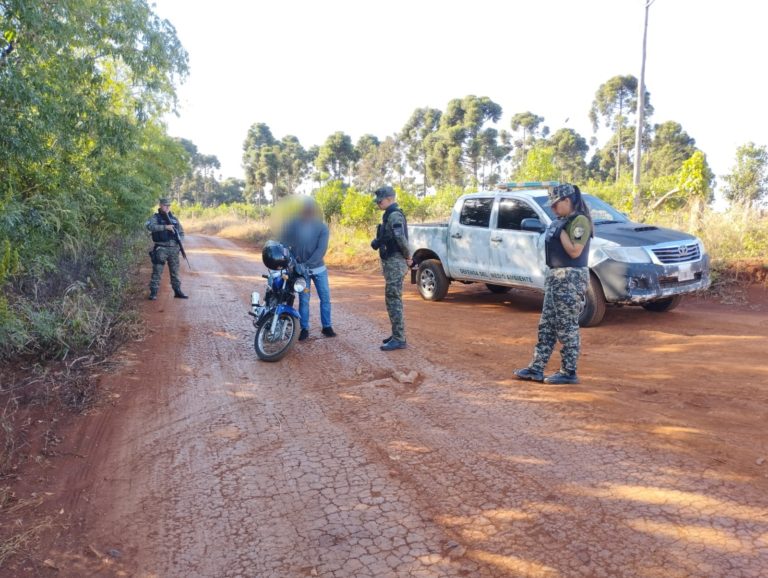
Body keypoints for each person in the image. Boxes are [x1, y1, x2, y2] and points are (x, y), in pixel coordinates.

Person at [514, 183, 593, 384]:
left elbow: (575, 251)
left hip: (570, 277)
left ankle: (569, 371)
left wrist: (561, 232)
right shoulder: (563, 221)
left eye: (556, 205)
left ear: (567, 201)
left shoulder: (579, 221)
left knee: (566, 326)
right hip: (556, 277)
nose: (553, 209)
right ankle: (537, 368)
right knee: (547, 324)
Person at [280, 197, 336, 341]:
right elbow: (284, 242)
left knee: (325, 298)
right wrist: (293, 261)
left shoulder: (322, 227)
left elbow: (321, 250)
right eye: (305, 210)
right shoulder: (293, 225)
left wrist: (306, 265)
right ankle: (304, 328)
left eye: (310, 210)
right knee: (304, 300)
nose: (307, 213)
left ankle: (327, 327)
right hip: (300, 271)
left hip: (318, 270)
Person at [371, 186, 413, 351]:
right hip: (392, 262)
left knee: (393, 300)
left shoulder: (394, 215)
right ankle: (397, 334)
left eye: (380, 201)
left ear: (389, 199)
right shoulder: (389, 214)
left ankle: (399, 338)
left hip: (396, 262)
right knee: (393, 299)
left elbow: (400, 238)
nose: (378, 204)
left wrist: (409, 257)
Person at [146, 198, 188, 300]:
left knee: (175, 272)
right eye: (165, 205)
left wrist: (180, 241)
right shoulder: (155, 217)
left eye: (169, 205)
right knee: (157, 271)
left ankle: (177, 291)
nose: (167, 207)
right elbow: (150, 227)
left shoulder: (174, 219)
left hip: (174, 249)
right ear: (160, 205)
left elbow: (182, 233)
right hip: (161, 248)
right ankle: (153, 293)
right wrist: (165, 227)